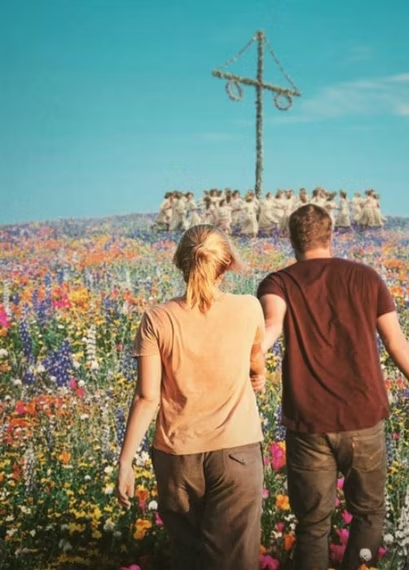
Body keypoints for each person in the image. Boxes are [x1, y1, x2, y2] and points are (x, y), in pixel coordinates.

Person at [257, 204, 409, 570]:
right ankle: (361, 564)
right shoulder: (366, 278)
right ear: (331, 236)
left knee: (312, 526)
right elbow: (396, 342)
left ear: (291, 239)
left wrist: (251, 358)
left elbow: (271, 327)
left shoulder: (278, 282)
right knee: (369, 515)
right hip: (363, 417)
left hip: (308, 421)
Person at [116, 225, 266, 570]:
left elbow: (146, 398)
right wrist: (257, 375)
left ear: (180, 263)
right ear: (226, 264)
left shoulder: (157, 318)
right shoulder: (248, 308)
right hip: (236, 453)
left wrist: (126, 462)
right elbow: (256, 361)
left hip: (176, 457)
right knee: (235, 561)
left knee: (188, 556)